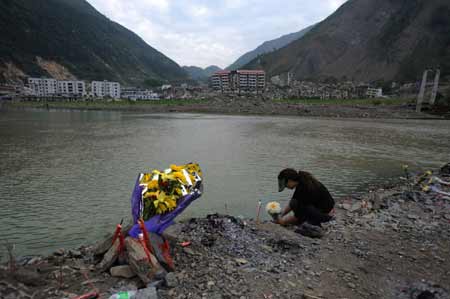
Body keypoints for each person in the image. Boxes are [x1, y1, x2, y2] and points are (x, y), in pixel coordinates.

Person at [275, 168, 335, 237]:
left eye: (285, 185)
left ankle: (317, 227)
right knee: (295, 202)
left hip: (325, 214)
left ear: (290, 181)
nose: (286, 187)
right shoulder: (301, 181)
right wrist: (282, 215)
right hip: (319, 208)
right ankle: (310, 221)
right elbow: (293, 202)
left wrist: (283, 222)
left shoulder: (304, 189)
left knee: (300, 229)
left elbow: (298, 215)